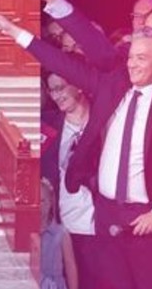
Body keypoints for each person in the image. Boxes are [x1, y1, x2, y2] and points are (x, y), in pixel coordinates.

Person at [0, 0, 152, 289]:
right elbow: (65, 60)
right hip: (107, 214)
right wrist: (18, 32)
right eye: (131, 56)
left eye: (141, 58)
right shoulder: (113, 85)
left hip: (149, 219)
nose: (132, 64)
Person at [41, 73, 99, 289]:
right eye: (51, 90)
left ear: (79, 85)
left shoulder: (106, 120)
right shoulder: (46, 125)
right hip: (65, 229)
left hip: (101, 229)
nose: (56, 96)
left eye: (60, 88)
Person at [40, 178, 78, 289]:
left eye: (43, 201)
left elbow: (70, 267)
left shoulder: (61, 233)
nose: (40, 206)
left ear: (51, 202)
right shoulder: (28, 233)